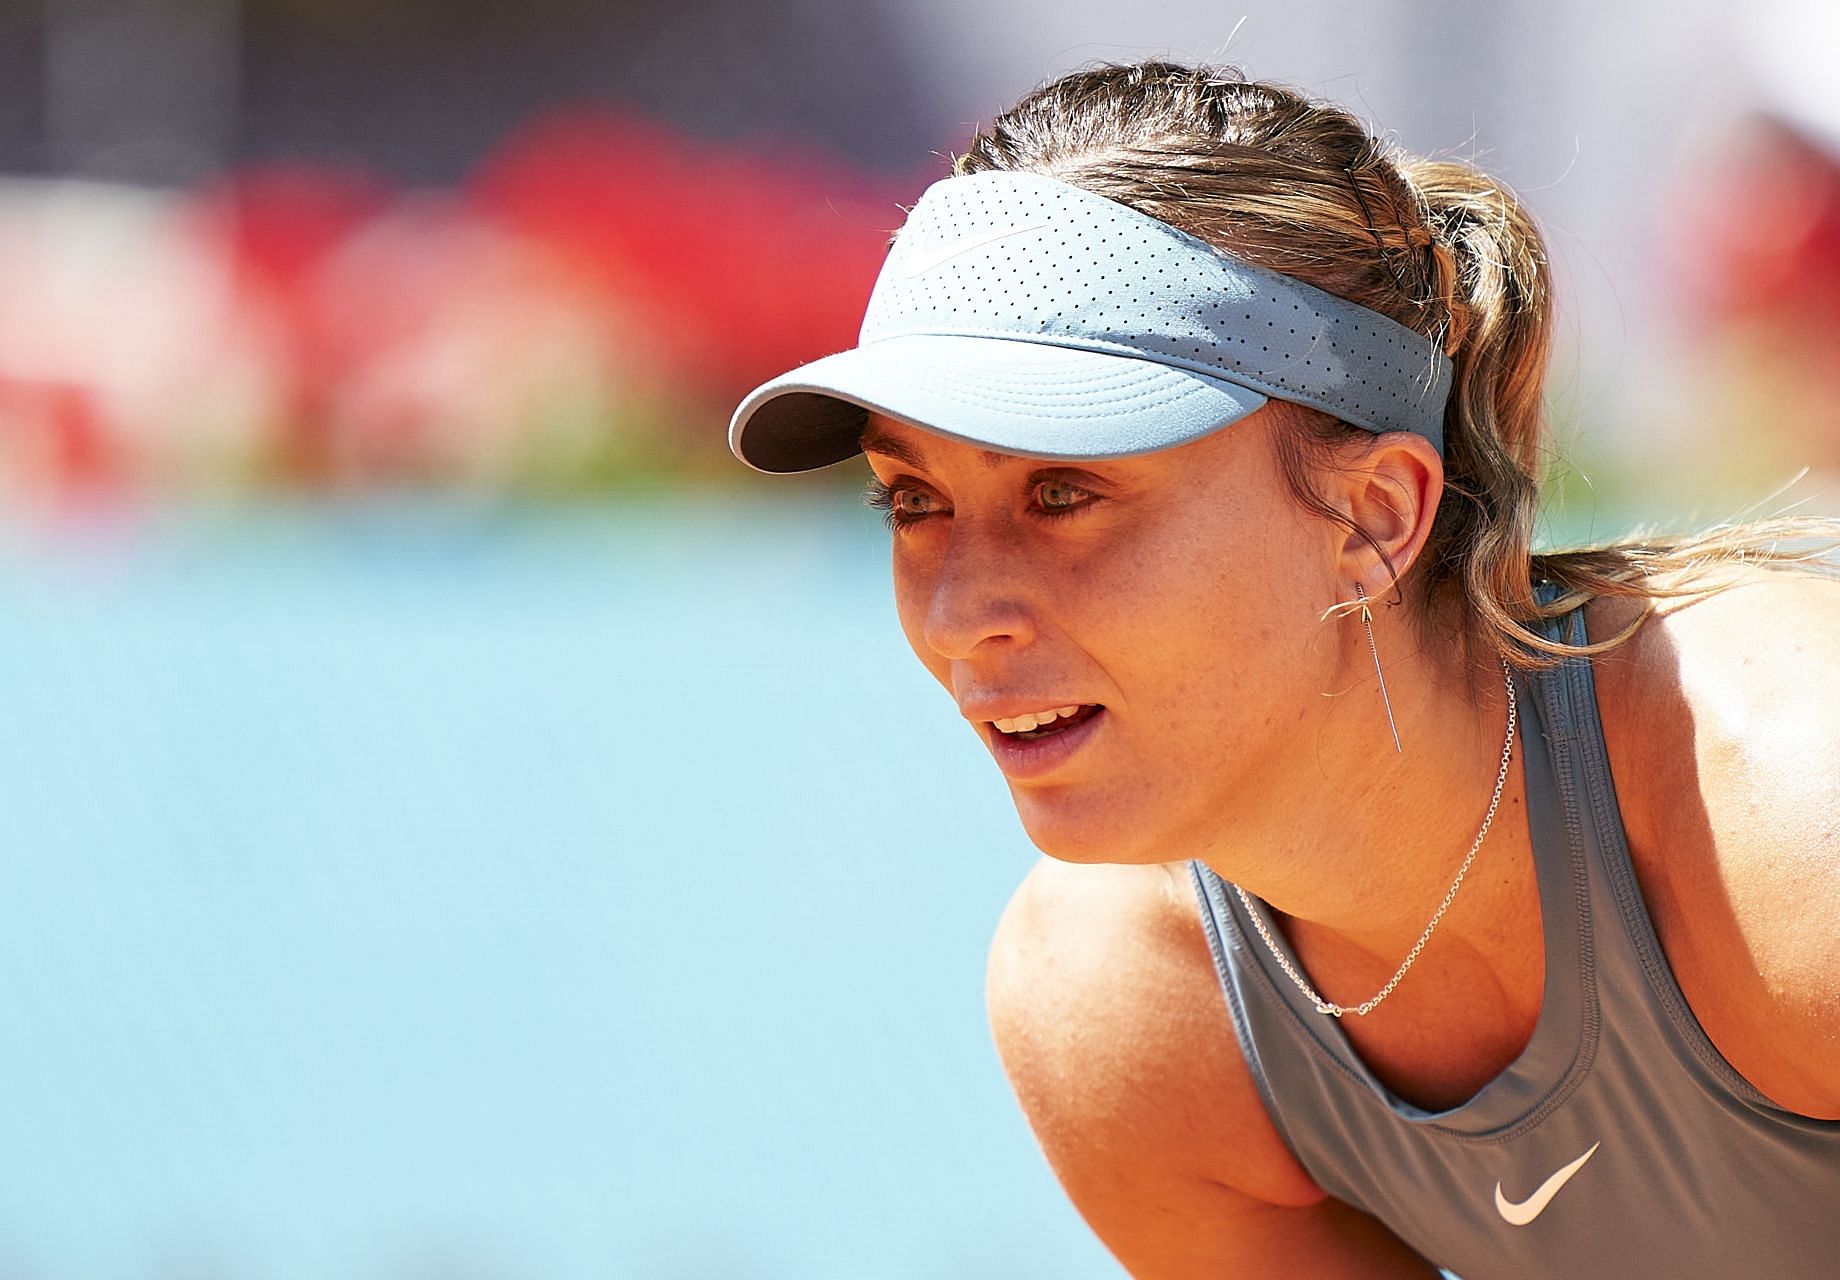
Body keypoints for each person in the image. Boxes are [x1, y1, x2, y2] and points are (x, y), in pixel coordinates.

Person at [726, 62, 1840, 1278]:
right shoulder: (1127, 1006)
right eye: (913, 500)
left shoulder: (1798, 818)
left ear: (1373, 516)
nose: (957, 615)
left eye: (1064, 491)